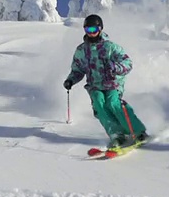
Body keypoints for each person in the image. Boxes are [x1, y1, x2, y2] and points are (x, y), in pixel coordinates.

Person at [63, 14, 149, 149]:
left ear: (100, 29)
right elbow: (77, 69)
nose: (92, 34)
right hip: (95, 85)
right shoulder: (81, 50)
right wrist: (71, 80)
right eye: (88, 30)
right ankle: (117, 134)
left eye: (94, 30)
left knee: (113, 104)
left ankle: (138, 132)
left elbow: (127, 63)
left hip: (112, 83)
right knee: (99, 106)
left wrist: (116, 67)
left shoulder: (111, 47)